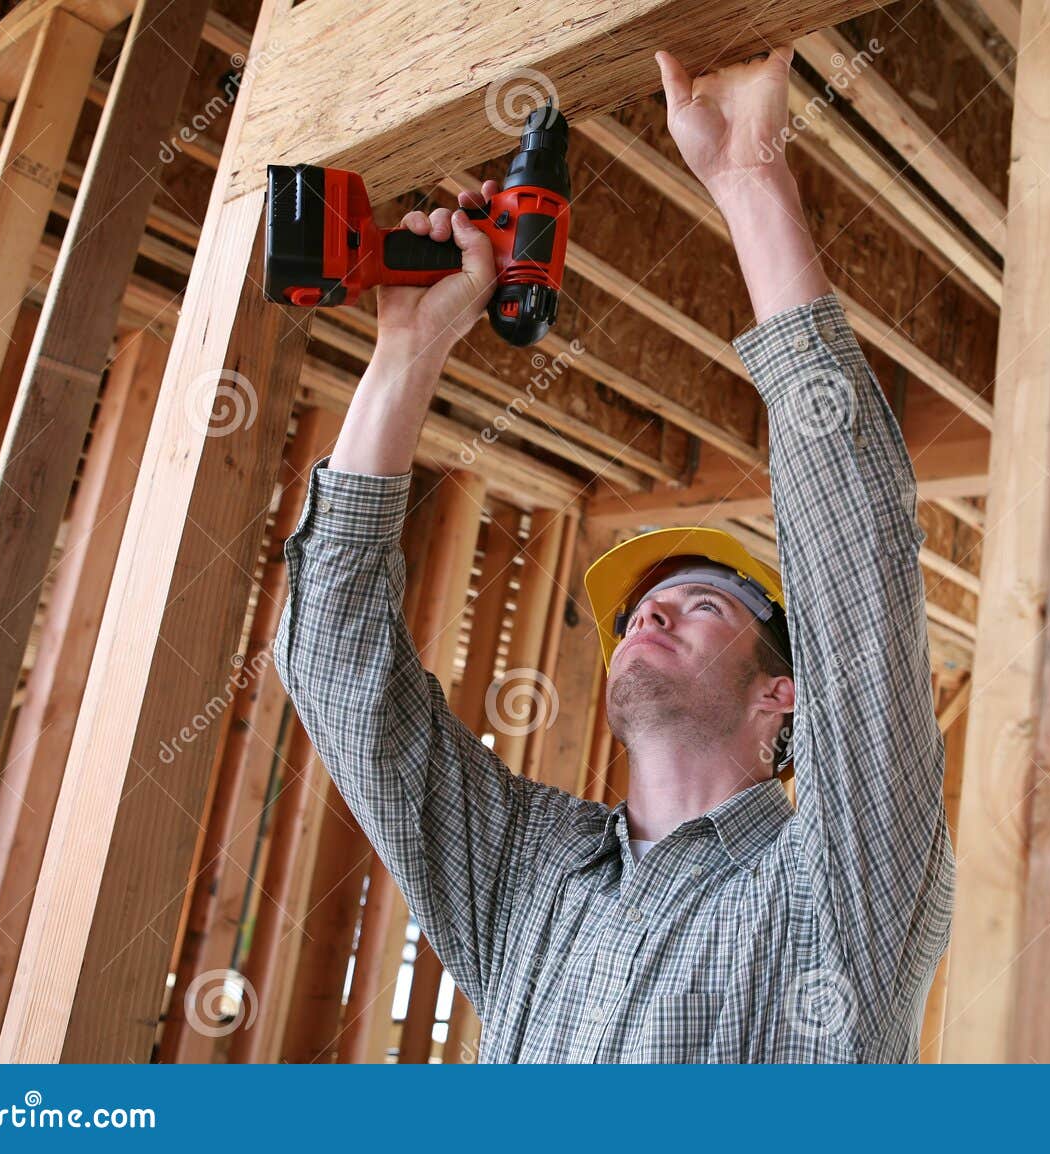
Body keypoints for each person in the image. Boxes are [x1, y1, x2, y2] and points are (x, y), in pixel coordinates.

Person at [273, 43, 955, 1063]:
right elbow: (335, 670)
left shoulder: (840, 888)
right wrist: (405, 355)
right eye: (645, 607)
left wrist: (749, 178)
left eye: (703, 603)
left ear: (787, 695)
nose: (649, 611)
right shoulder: (527, 871)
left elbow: (855, 574)